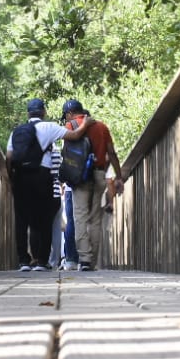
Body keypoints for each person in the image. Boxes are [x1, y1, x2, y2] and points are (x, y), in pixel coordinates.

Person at [60, 98, 122, 272]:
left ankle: (85, 259)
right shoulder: (102, 127)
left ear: (70, 114)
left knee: (80, 217)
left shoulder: (71, 126)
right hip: (99, 173)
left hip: (80, 178)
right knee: (95, 218)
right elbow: (111, 152)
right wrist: (119, 175)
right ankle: (92, 262)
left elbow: (67, 153)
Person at [5, 98, 67, 271]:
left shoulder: (17, 131)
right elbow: (74, 135)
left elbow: (9, 158)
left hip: (21, 178)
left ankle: (23, 261)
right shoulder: (50, 127)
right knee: (44, 219)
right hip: (42, 177)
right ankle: (41, 261)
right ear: (43, 112)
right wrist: (86, 124)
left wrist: (11, 180)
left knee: (22, 220)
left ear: (28, 113)